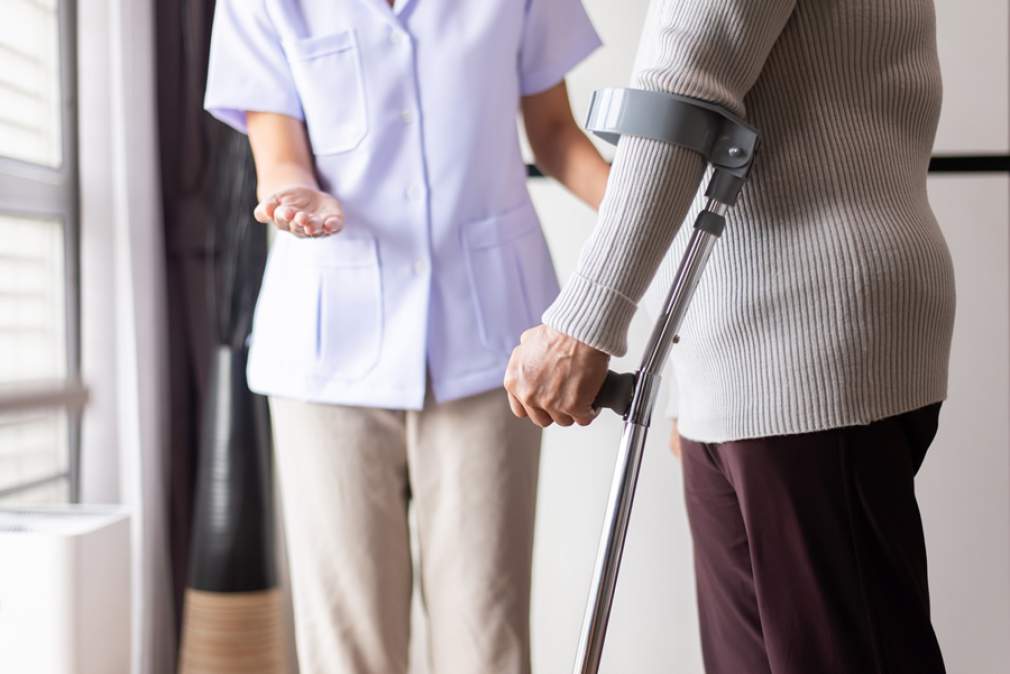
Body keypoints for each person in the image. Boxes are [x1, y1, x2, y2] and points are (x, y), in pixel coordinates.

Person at [505, 1, 954, 673]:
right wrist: (694, 375)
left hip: (804, 331)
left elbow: (680, 96)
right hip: (757, 344)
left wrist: (583, 324)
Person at [203, 1, 609, 672]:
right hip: (328, 349)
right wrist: (297, 195)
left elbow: (556, 133)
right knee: (348, 644)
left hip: (492, 346)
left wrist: (649, 213)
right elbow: (278, 157)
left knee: (487, 635)